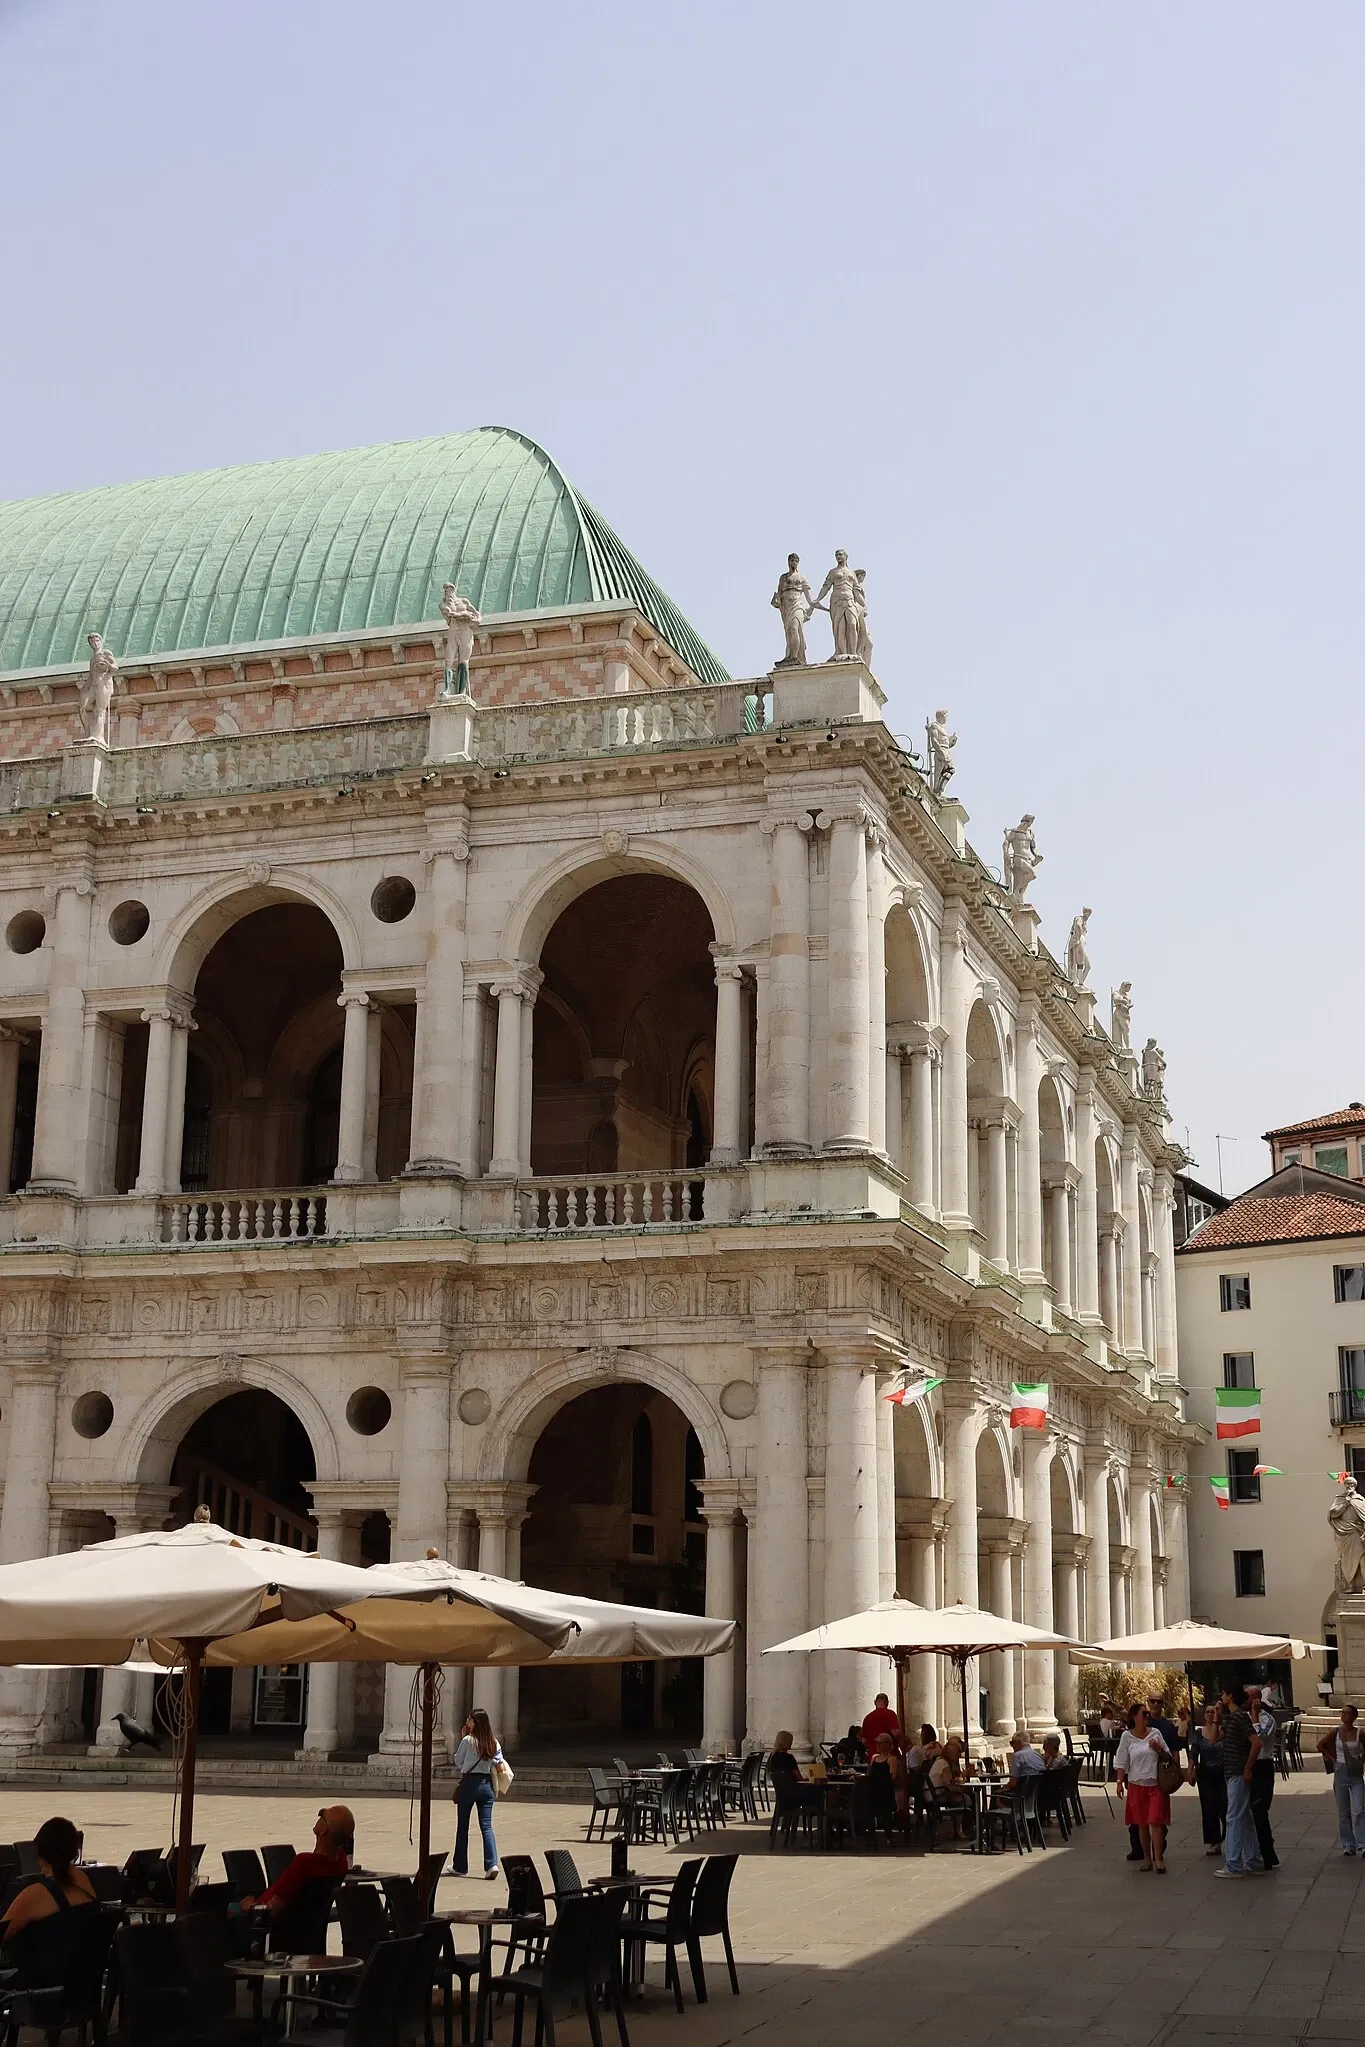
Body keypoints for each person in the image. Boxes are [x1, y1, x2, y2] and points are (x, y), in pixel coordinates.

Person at [0, 1817, 97, 1987]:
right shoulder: (84, 1881)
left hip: (38, 1992)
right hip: (78, 1986)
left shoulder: (36, 1894)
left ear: (39, 1853)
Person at [242, 1805, 355, 1916]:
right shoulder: (341, 1863)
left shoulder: (305, 1863)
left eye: (322, 1817)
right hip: (309, 1929)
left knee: (229, 1909)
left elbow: (273, 1909)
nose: (319, 1818)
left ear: (323, 1829)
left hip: (273, 1923)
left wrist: (249, 1906)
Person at [1114, 1704, 1172, 1873]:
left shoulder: (1156, 1733)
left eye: (1148, 1714)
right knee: (1142, 1824)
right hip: (1136, 1784)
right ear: (1134, 1717)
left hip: (1155, 1784)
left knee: (1155, 1821)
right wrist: (1119, 1782)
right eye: (1143, 1713)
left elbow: (1167, 1755)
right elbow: (1121, 1761)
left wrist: (1158, 1748)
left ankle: (1158, 1859)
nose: (1147, 1716)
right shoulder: (1127, 1736)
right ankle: (1147, 1858)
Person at [1216, 1682, 1264, 1878]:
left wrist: (1247, 1767)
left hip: (1236, 1773)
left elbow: (1256, 1743)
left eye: (1223, 1693)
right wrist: (1217, 1718)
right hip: (1233, 1773)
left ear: (1230, 1696)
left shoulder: (1239, 1718)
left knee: (1234, 1817)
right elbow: (1214, 1738)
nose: (1221, 1696)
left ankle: (1234, 1863)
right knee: (1245, 1818)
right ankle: (1253, 1860)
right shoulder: (1233, 1718)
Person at [452, 1708, 504, 1880]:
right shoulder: (493, 1742)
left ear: (476, 1723)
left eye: (469, 1720)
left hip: (470, 1784)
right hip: (487, 1785)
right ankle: (492, 1863)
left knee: (463, 1826)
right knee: (487, 1826)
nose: (467, 1722)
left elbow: (458, 1762)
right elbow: (498, 1761)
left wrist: (462, 1739)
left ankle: (460, 1865)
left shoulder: (468, 1740)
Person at [1317, 1704, 1365, 1856]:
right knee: (1343, 1812)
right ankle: (1348, 1844)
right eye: (1342, 1712)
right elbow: (1320, 1745)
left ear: (1354, 1716)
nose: (1343, 1715)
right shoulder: (1335, 1732)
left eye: (1347, 1713)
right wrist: (1333, 1760)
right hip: (1341, 1773)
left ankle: (1362, 1844)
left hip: (1356, 1775)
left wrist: (1361, 1761)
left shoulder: (1360, 1733)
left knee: (1360, 1810)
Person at [1246, 1685, 1280, 1871]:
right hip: (1249, 1765)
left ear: (1257, 1699)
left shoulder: (1268, 1719)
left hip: (1262, 1767)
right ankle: (1253, 1852)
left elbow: (1258, 1738)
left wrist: (1256, 1716)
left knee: (1260, 1811)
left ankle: (1267, 1854)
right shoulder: (1244, 1718)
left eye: (1249, 1698)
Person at [1187, 1706, 1227, 1856]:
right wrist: (1190, 1771)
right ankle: (1212, 1841)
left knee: (1224, 1806)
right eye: (1208, 1712)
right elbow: (1193, 1753)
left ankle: (1227, 1838)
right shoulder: (1198, 1733)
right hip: (1205, 1774)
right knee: (1209, 1808)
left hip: (1222, 1773)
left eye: (1213, 1711)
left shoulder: (1224, 1731)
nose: (1211, 1714)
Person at [861, 1693, 900, 1757]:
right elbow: (895, 1733)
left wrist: (872, 1746)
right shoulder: (890, 1714)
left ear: (874, 1702)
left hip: (873, 1756)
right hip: (889, 1755)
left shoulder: (867, 1717)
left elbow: (864, 1740)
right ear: (887, 1703)